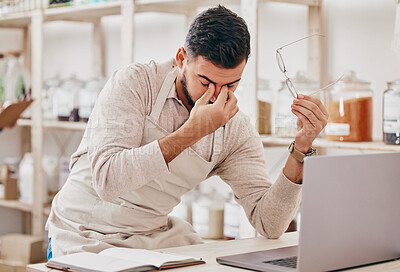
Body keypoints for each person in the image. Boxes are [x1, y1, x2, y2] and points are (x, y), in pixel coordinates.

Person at [46, 5, 328, 258]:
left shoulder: (235, 129)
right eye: (205, 81)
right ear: (182, 58)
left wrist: (300, 150)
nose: (218, 96)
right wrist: (191, 133)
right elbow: (108, 181)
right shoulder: (135, 83)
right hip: (82, 230)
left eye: (231, 85)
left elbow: (270, 223)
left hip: (151, 237)